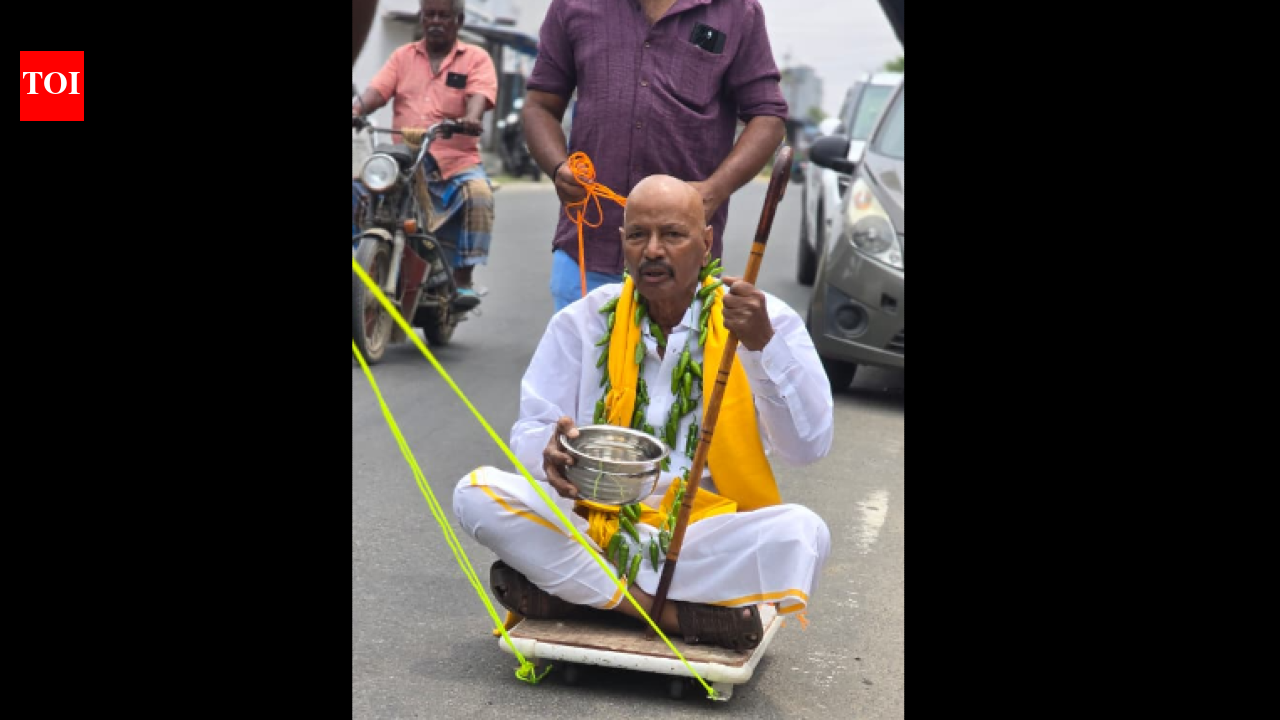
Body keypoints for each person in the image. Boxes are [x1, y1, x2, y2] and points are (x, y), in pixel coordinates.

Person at [452, 175, 833, 650]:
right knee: (476, 492)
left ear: (706, 242)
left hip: (700, 532)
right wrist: (550, 451)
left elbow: (807, 446)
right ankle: (661, 612)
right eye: (639, 235)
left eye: (673, 235)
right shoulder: (584, 320)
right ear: (623, 243)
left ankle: (577, 594)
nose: (653, 250)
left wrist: (762, 347)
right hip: (593, 521)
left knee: (802, 534)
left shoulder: (761, 317)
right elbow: (534, 428)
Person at [521, 0, 789, 312]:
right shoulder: (572, 6)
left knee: (677, 360)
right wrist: (558, 168)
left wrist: (714, 190)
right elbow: (539, 106)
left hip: (685, 268)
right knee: (583, 360)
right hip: (589, 250)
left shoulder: (736, 11)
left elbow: (769, 117)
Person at [352, 0, 497, 307]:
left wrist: (471, 118)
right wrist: (357, 109)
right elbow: (377, 91)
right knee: (359, 188)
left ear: (458, 20)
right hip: (405, 157)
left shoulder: (475, 58)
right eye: (429, 14)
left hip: (455, 161)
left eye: (443, 15)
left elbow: (480, 95)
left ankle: (463, 280)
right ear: (421, 18)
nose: (435, 21)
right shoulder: (402, 56)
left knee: (479, 193)